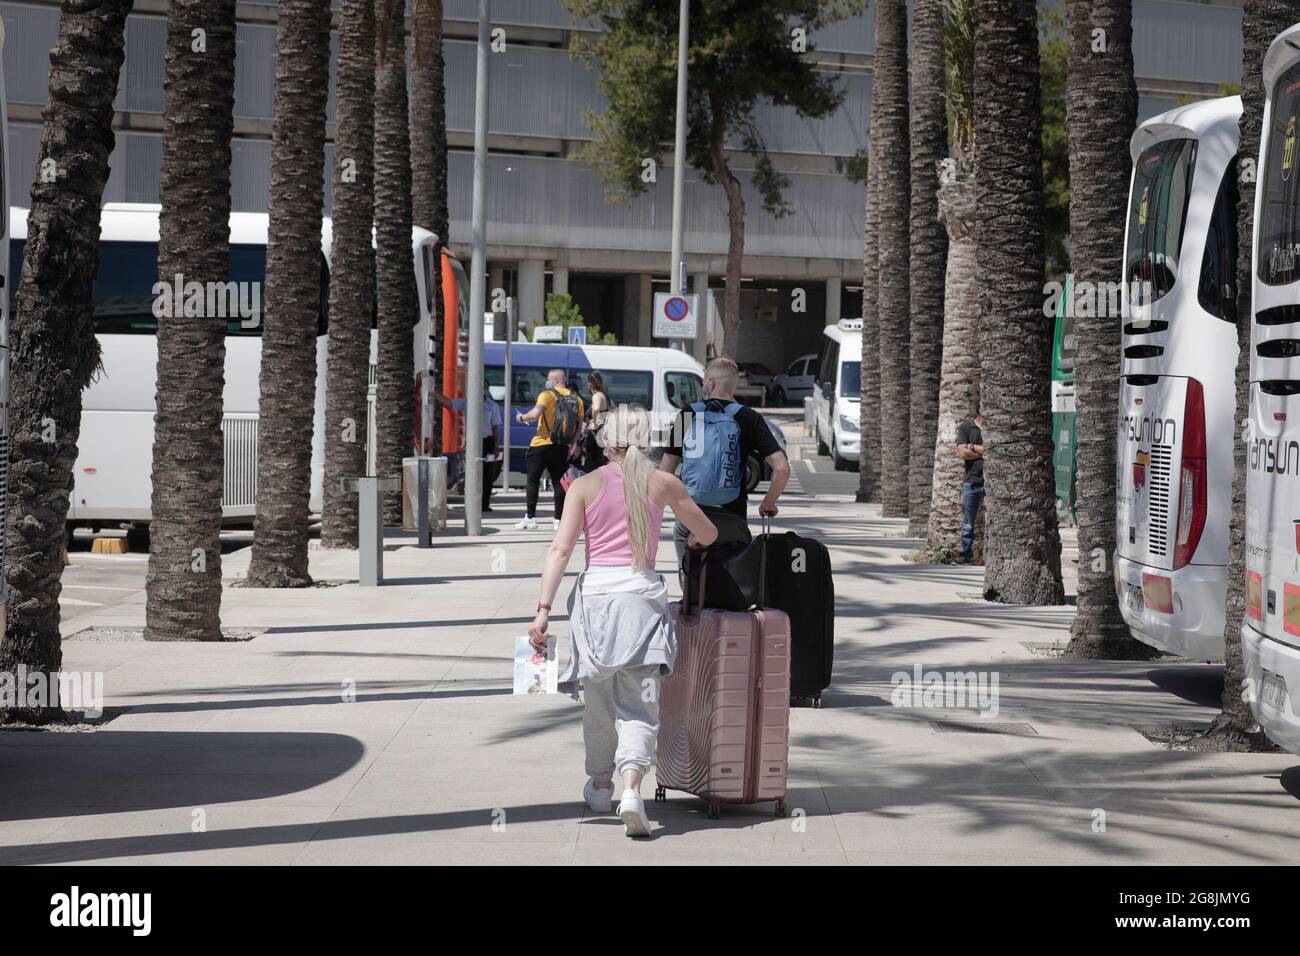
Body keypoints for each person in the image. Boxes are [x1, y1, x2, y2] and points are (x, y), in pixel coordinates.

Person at [529, 405, 718, 838]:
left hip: (595, 604)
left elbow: (559, 551)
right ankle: (632, 788)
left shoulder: (584, 485)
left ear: (603, 439)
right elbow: (707, 535)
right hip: (642, 602)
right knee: (639, 704)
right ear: (646, 439)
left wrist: (543, 609)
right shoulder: (663, 483)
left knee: (597, 701)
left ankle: (600, 784)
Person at [659, 357, 791, 571]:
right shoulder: (750, 418)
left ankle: (691, 598)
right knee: (736, 580)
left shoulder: (687, 414)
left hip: (692, 515)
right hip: (733, 518)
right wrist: (769, 503)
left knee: (690, 574)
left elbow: (665, 471)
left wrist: (676, 501)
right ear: (733, 385)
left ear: (711, 382)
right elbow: (782, 468)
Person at [514, 369, 584, 531]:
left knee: (533, 480)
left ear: (555, 379)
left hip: (541, 444)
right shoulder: (577, 399)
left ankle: (530, 518)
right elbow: (579, 428)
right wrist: (571, 446)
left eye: (548, 379)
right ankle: (558, 520)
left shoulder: (547, 395)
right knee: (559, 482)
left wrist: (521, 418)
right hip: (561, 446)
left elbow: (535, 414)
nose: (547, 381)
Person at [434, 385, 503, 513]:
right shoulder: (467, 401)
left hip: (487, 441)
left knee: (487, 475)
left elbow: (495, 427)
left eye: (483, 387)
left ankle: (484, 505)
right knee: (472, 473)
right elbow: (448, 402)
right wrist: (433, 391)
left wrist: (496, 446)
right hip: (472, 443)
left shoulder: (492, 405)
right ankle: (472, 503)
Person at [955, 410, 986, 564]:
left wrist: (972, 446)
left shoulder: (997, 427)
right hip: (972, 481)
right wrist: (984, 451)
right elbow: (963, 454)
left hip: (992, 483)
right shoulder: (966, 427)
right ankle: (965, 554)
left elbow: (994, 451)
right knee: (968, 523)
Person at [580, 371, 611, 472]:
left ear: (589, 385)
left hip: (595, 437)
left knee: (592, 466)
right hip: (602, 436)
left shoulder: (596, 396)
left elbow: (596, 408)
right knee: (600, 465)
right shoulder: (604, 395)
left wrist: (595, 422)